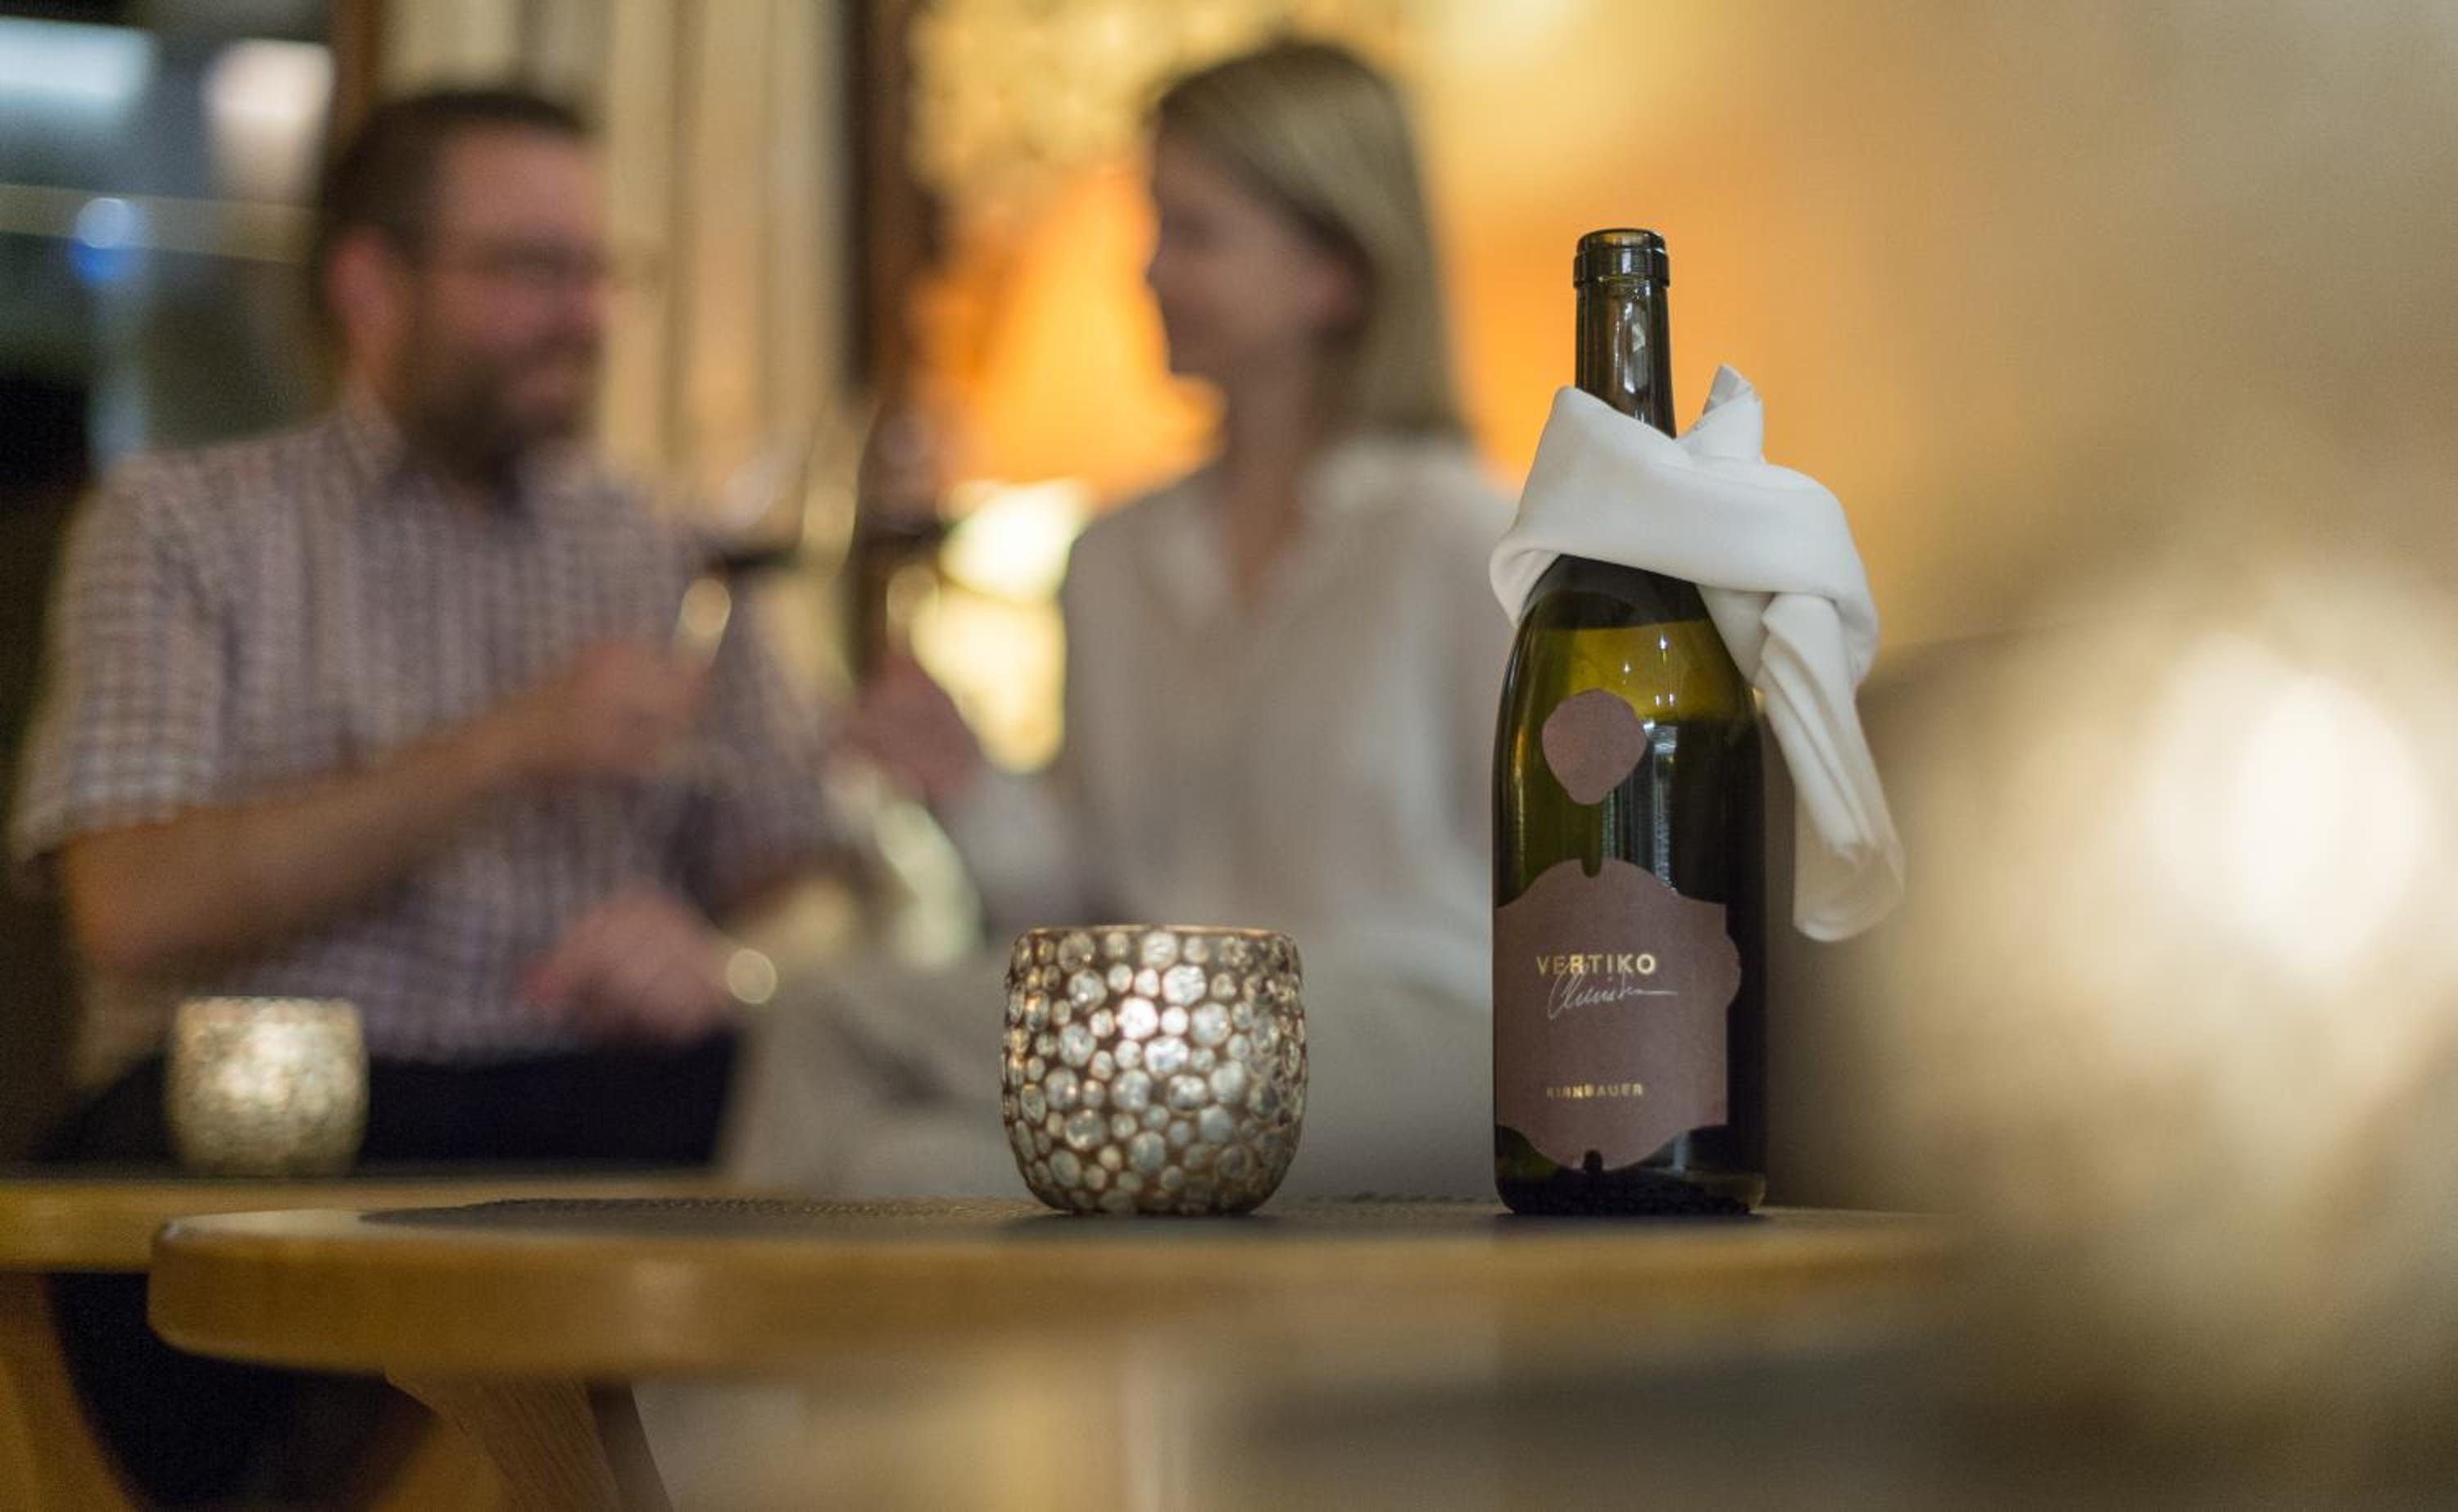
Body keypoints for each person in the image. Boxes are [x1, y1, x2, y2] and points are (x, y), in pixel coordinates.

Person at [8, 87, 832, 1502]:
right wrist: (498, 748)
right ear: (370, 285)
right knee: (167, 1186)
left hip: (584, 1111)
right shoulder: (183, 525)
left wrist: (723, 949)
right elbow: (130, 906)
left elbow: (794, 872)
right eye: (529, 269)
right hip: (271, 1127)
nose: (584, 314)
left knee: (815, 1111)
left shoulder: (651, 546)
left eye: (598, 271)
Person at [736, 39, 1508, 1201]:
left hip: (1415, 1031)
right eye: (1155, 228)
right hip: (1164, 1031)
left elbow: (1562, 882)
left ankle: (703, 1327)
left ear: (1335, 273)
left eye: (1194, 233)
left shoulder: (1466, 538)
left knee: (868, 1083)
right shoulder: (1113, 558)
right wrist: (966, 781)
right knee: (884, 1119)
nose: (1148, 271)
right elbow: (1085, 900)